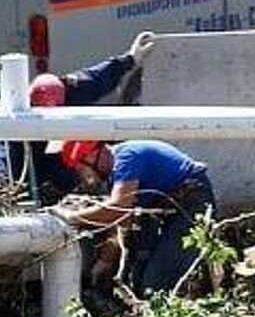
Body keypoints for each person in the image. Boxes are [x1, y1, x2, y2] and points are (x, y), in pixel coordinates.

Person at [51, 139, 216, 294]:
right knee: (139, 265)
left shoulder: (127, 159)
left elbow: (117, 209)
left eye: (81, 169)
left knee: (157, 281)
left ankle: (161, 301)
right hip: (169, 207)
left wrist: (71, 217)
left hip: (192, 203)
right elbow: (122, 219)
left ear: (92, 156)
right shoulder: (116, 174)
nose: (83, 177)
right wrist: (105, 261)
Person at [21, 30, 156, 201]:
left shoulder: (65, 90)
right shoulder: (16, 118)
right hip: (34, 158)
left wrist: (130, 59)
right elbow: (3, 158)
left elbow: (96, 79)